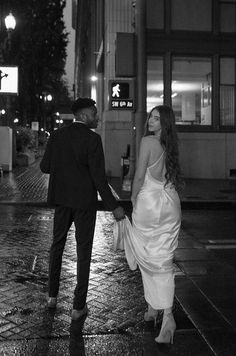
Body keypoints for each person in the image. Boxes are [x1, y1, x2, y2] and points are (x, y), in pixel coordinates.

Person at [40, 97, 125, 320]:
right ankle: (78, 307)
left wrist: (64, 168)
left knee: (57, 245)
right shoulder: (93, 139)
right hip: (84, 203)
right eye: (95, 114)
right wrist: (113, 206)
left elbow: (44, 166)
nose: (97, 117)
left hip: (62, 200)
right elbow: (99, 178)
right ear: (85, 116)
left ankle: (52, 296)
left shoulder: (57, 136)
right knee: (83, 251)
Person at [120, 105, 182, 344]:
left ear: (164, 123)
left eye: (157, 118)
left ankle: (167, 317)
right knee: (163, 257)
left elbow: (138, 175)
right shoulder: (171, 145)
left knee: (146, 254)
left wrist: (133, 198)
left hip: (149, 203)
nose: (151, 121)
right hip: (170, 204)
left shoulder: (147, 142)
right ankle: (156, 309)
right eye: (150, 117)